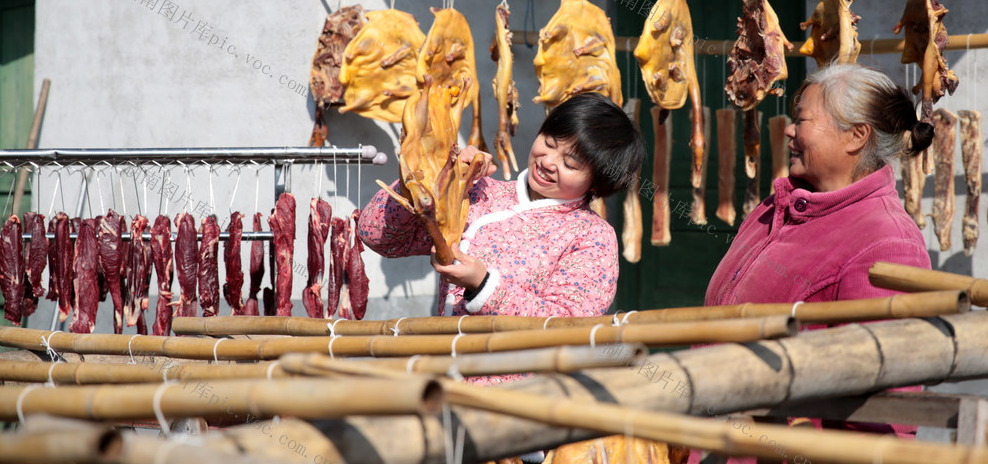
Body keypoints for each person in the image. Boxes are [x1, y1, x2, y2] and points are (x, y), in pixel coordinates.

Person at [695, 63, 934, 463]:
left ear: (856, 136)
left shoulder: (887, 242)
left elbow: (881, 415)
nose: (789, 130)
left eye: (801, 120)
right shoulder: (778, 205)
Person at [358, 92, 645, 322]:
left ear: (596, 183)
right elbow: (378, 236)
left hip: (522, 390)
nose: (548, 161)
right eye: (549, 141)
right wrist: (436, 178)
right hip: (445, 376)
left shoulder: (592, 236)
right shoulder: (481, 193)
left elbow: (571, 324)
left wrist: (484, 286)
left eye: (570, 163)